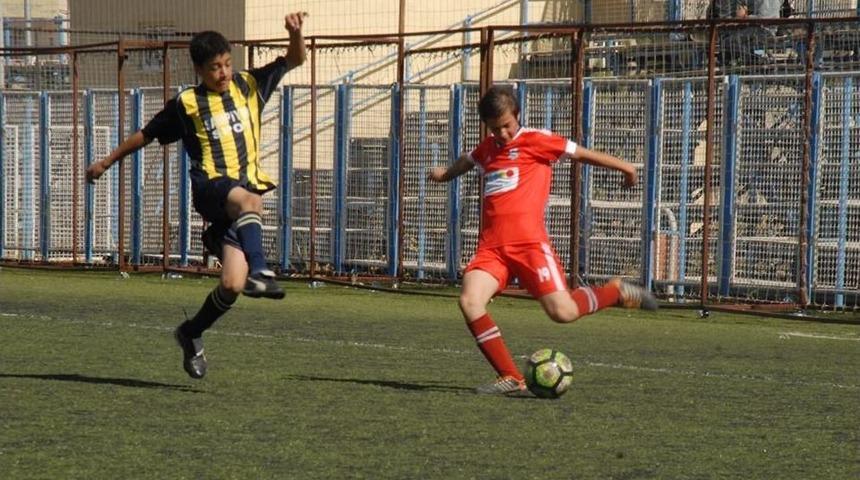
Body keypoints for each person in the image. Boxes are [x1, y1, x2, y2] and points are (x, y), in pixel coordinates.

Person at [86, 12, 307, 379]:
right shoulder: (187, 103)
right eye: (214, 68)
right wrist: (107, 161)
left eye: (226, 64)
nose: (223, 73)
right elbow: (146, 134)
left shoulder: (250, 85)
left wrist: (296, 34)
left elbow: (294, 59)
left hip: (237, 204)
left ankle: (190, 333)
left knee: (232, 285)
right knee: (252, 201)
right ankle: (263, 271)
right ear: (199, 70)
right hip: (210, 188)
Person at [428, 85, 658, 395]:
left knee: (562, 313)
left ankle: (614, 293)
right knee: (469, 302)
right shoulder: (487, 147)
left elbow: (582, 154)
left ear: (518, 115)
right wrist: (444, 174)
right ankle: (511, 377)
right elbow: (467, 161)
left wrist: (626, 167)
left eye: (508, 126)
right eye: (496, 129)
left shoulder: (536, 140)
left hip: (530, 246)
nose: (504, 134)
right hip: (492, 249)